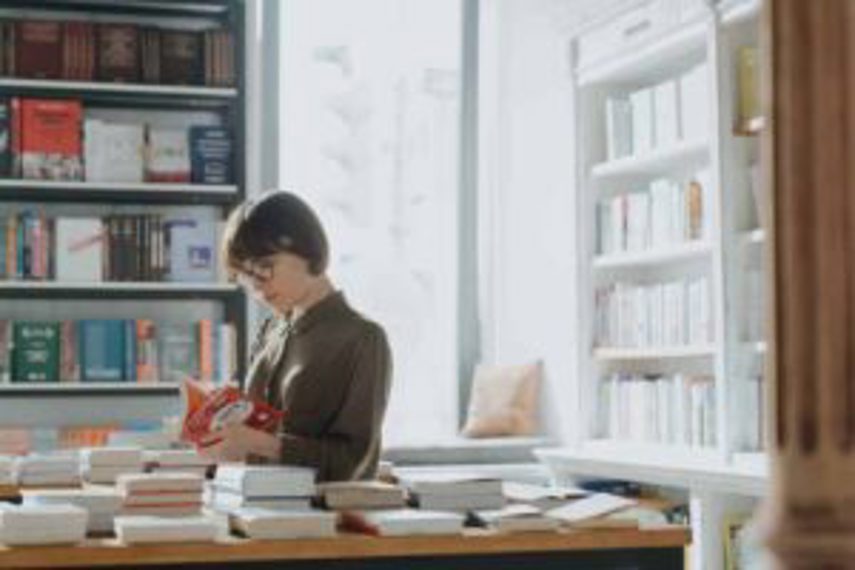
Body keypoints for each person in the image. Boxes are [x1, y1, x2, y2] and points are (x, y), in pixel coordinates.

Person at [200, 190, 392, 482]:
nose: (258, 288)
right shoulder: (270, 332)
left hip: (324, 520)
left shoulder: (364, 338)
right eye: (247, 276)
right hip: (255, 507)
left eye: (265, 267)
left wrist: (257, 443)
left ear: (308, 251)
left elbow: (352, 461)